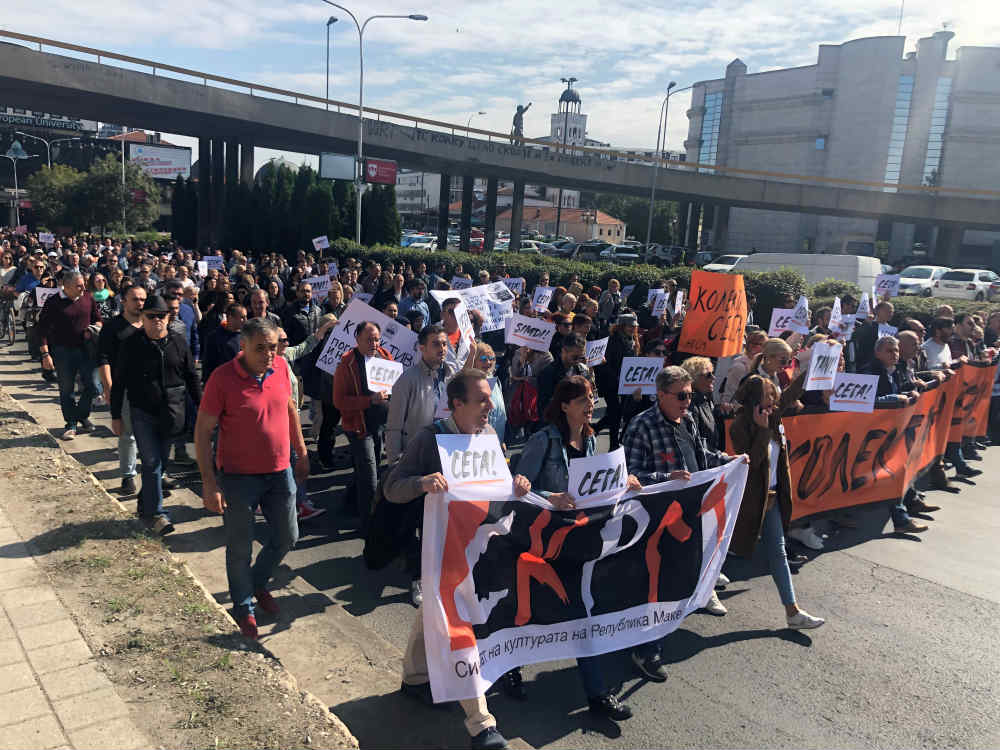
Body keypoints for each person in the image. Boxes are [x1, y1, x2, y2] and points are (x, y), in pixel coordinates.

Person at [383, 369, 531, 750]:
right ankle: (481, 725)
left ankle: (415, 678)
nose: (489, 407)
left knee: (435, 611)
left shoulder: (489, 436)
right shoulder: (429, 439)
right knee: (457, 621)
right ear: (456, 405)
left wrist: (516, 483)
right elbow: (392, 488)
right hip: (441, 551)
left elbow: (499, 486)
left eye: (489, 399)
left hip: (476, 550)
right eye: (481, 400)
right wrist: (422, 483)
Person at [516, 375, 639, 721]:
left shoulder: (590, 439)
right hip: (543, 542)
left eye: (592, 397)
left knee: (581, 612)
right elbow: (519, 489)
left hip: (576, 541)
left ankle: (597, 694)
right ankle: (511, 668)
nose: (591, 404)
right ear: (565, 405)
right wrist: (549, 496)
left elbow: (594, 487)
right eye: (583, 399)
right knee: (533, 611)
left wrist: (623, 481)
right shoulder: (543, 440)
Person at [194, 317, 310, 640]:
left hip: (279, 472)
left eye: (273, 347)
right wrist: (209, 483)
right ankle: (243, 606)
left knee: (288, 536)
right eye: (260, 348)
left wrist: (301, 452)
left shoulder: (281, 369)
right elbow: (202, 432)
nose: (268, 354)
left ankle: (257, 582)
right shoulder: (222, 378)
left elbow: (290, 410)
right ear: (243, 346)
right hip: (238, 478)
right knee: (239, 546)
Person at [621, 366, 732, 681]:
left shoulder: (689, 420)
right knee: (655, 586)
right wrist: (666, 478)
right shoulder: (641, 426)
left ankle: (651, 639)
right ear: (661, 395)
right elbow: (629, 476)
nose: (687, 402)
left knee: (673, 583)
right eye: (681, 396)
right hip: (655, 521)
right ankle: (645, 650)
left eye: (690, 395)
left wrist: (730, 461)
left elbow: (701, 456)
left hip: (687, 515)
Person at [728, 374, 826, 629]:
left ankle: (792, 612)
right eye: (768, 395)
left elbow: (792, 392)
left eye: (774, 395)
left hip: (772, 498)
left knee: (778, 551)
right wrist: (762, 431)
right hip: (748, 501)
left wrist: (813, 365)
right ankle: (702, 591)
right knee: (722, 546)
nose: (774, 400)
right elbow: (752, 463)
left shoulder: (773, 416)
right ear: (754, 400)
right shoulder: (739, 426)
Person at [110, 295, 201, 537]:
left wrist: (202, 408)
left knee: (160, 463)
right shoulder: (130, 344)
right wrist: (116, 416)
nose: (156, 320)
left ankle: (145, 503)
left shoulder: (179, 342)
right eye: (151, 316)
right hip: (142, 412)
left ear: (168, 318)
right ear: (142, 318)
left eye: (161, 316)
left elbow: (192, 377)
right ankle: (157, 515)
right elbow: (119, 382)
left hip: (171, 412)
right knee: (150, 463)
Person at [384, 323, 457, 605]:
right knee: (417, 523)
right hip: (416, 462)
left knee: (441, 523)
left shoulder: (452, 377)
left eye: (445, 344)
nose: (442, 349)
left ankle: (440, 572)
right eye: (436, 344)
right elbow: (393, 426)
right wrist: (395, 462)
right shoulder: (407, 380)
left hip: (447, 460)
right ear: (422, 347)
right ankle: (418, 577)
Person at [860, 337, 934, 532]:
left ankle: (911, 502)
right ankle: (901, 519)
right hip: (874, 434)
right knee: (894, 472)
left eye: (896, 350)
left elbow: (902, 389)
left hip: (894, 431)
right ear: (877, 353)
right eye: (889, 351)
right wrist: (895, 398)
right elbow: (868, 400)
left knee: (900, 468)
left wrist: (911, 390)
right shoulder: (868, 372)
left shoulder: (897, 370)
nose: (895, 354)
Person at [333, 321, 393, 523]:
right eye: (369, 340)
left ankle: (348, 504)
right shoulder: (347, 364)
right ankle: (369, 524)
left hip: (380, 426)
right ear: (357, 339)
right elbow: (339, 401)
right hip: (359, 427)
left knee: (366, 468)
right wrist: (369, 400)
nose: (374, 344)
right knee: (370, 477)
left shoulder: (385, 356)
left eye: (377, 339)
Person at [278, 316, 337, 521]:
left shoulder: (286, 355)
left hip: (291, 417)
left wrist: (325, 328)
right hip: (281, 422)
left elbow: (306, 346)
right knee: (293, 463)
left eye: (287, 340)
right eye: (282, 340)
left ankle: (298, 502)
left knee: (293, 463)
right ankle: (296, 504)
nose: (287, 343)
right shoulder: (267, 365)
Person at [36, 271, 102, 440]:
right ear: (66, 286)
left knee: (93, 386)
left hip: (87, 350)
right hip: (63, 351)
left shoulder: (88, 297)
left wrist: (94, 329)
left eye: (84, 284)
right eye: (79, 286)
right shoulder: (53, 302)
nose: (83, 288)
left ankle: (82, 415)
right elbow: (41, 329)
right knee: (67, 390)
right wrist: (45, 354)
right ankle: (71, 423)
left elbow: (98, 319)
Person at [97, 283, 147, 496]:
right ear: (124, 301)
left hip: (149, 388)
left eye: (143, 299)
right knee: (128, 434)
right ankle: (128, 476)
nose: (140, 303)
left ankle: (158, 474)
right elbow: (103, 359)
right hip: (124, 388)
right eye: (135, 299)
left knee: (153, 433)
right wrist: (108, 388)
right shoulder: (112, 327)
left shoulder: (151, 324)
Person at [594, 315, 639, 449]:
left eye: (634, 326)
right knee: (615, 413)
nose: (633, 329)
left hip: (625, 383)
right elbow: (605, 364)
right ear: (622, 326)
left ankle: (596, 428)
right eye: (630, 326)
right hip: (611, 383)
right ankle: (613, 444)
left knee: (618, 412)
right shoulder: (612, 341)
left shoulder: (633, 340)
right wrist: (617, 377)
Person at [537, 333, 586, 409]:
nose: (578, 361)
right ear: (564, 351)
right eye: (575, 357)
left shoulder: (580, 369)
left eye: (581, 357)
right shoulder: (548, 373)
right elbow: (544, 406)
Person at [720, 330, 768, 404]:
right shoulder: (740, 366)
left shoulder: (761, 365)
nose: (766, 349)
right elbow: (730, 392)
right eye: (764, 345)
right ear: (753, 346)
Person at [202, 303, 246, 383]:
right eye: (242, 317)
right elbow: (208, 365)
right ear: (230, 317)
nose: (245, 320)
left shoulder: (247, 336)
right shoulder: (214, 337)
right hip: (223, 382)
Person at [282, 281, 322, 347]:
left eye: (308, 291)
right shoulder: (289, 311)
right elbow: (286, 335)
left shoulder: (318, 311)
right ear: (297, 293)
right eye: (303, 291)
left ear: (312, 293)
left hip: (315, 350)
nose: (306, 294)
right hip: (298, 351)